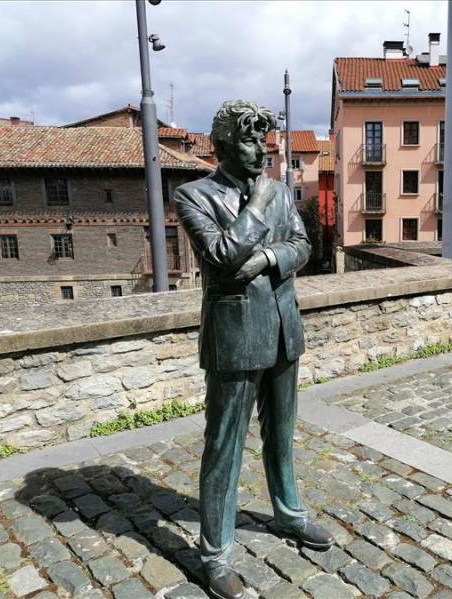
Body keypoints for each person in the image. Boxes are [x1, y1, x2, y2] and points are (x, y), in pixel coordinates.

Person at [174, 100, 333, 599]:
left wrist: (266, 254)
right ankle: (215, 553)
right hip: (236, 337)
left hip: (284, 329)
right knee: (224, 446)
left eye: (263, 139)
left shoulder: (281, 191)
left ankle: (288, 514)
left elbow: (303, 245)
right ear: (221, 146)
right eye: (248, 140)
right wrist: (258, 208)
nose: (260, 150)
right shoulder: (193, 195)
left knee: (281, 433)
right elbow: (221, 257)